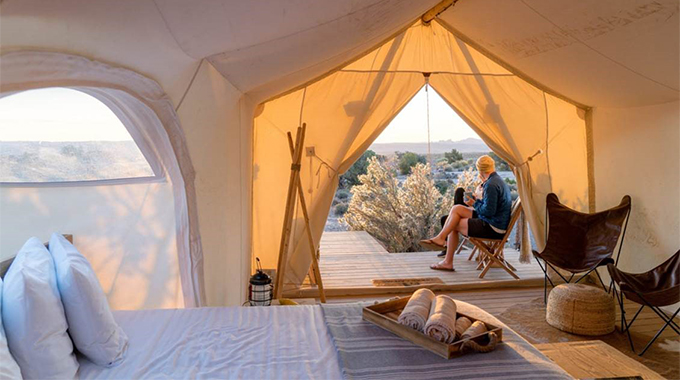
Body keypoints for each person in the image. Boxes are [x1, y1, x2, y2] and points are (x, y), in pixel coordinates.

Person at [420, 155, 512, 271]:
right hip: (494, 221)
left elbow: (488, 211)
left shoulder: (491, 185)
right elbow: (490, 208)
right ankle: (441, 238)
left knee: (454, 224)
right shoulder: (496, 181)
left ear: (479, 169)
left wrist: (474, 204)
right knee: (457, 208)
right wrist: (476, 201)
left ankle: (447, 261)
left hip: (492, 227)